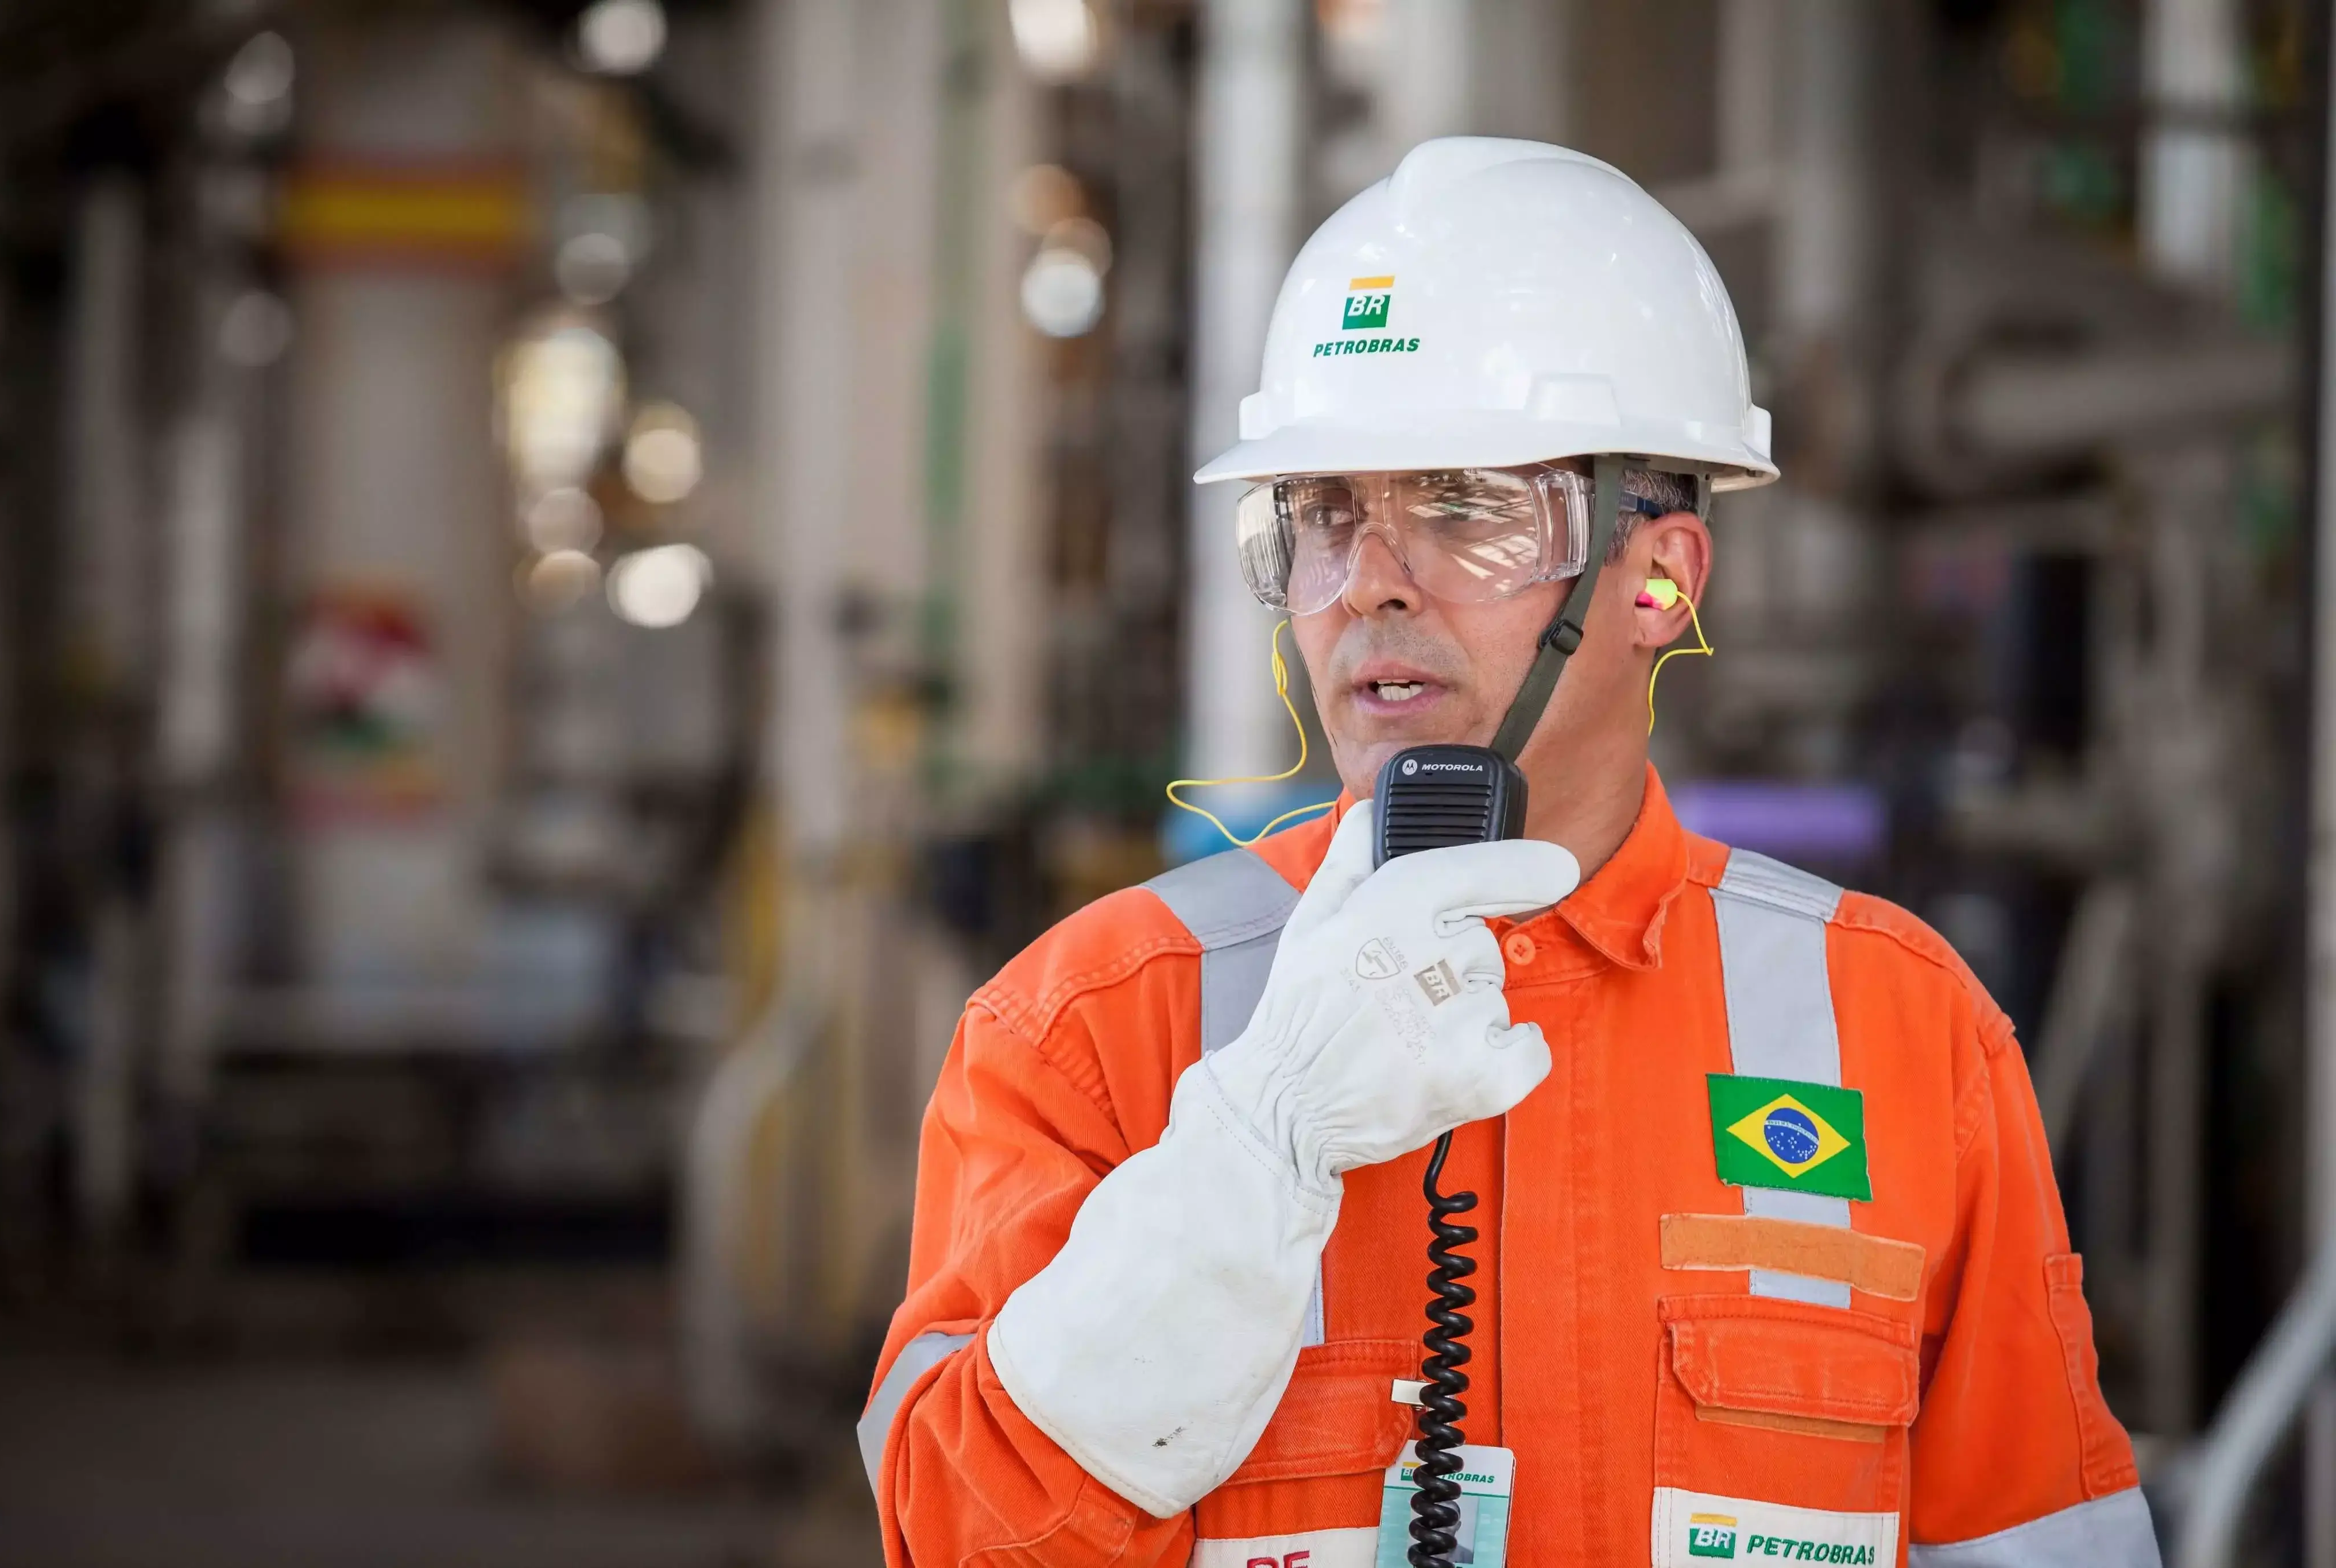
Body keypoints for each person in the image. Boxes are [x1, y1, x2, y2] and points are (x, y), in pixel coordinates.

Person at [858, 138, 2158, 1568]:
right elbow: (957, 1535)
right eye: (1322, 516)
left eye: (1465, 509)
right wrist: (1249, 1150)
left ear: (1660, 577)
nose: (1366, 583)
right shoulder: (1092, 1027)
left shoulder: (1904, 1038)